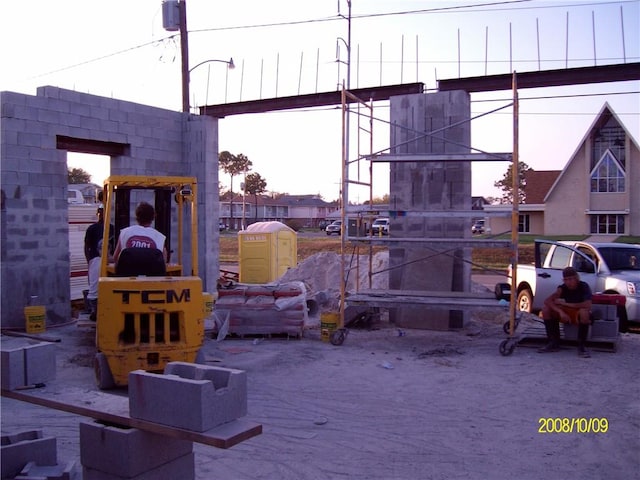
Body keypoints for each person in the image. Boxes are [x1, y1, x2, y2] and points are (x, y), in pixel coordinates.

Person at [538, 266, 593, 358]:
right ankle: (553, 342)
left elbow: (587, 304)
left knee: (584, 312)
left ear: (576, 278)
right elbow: (548, 301)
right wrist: (560, 312)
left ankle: (581, 345)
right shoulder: (562, 288)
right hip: (566, 314)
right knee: (546, 309)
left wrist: (567, 304)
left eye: (571, 279)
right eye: (566, 280)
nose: (569, 282)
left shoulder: (584, 286)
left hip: (578, 313)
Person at [84, 205, 112, 321]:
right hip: (96, 260)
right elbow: (87, 246)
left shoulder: (112, 228)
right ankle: (96, 310)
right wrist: (89, 261)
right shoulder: (92, 228)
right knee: (95, 288)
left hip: (109, 262)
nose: (101, 214)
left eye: (103, 211)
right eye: (99, 212)